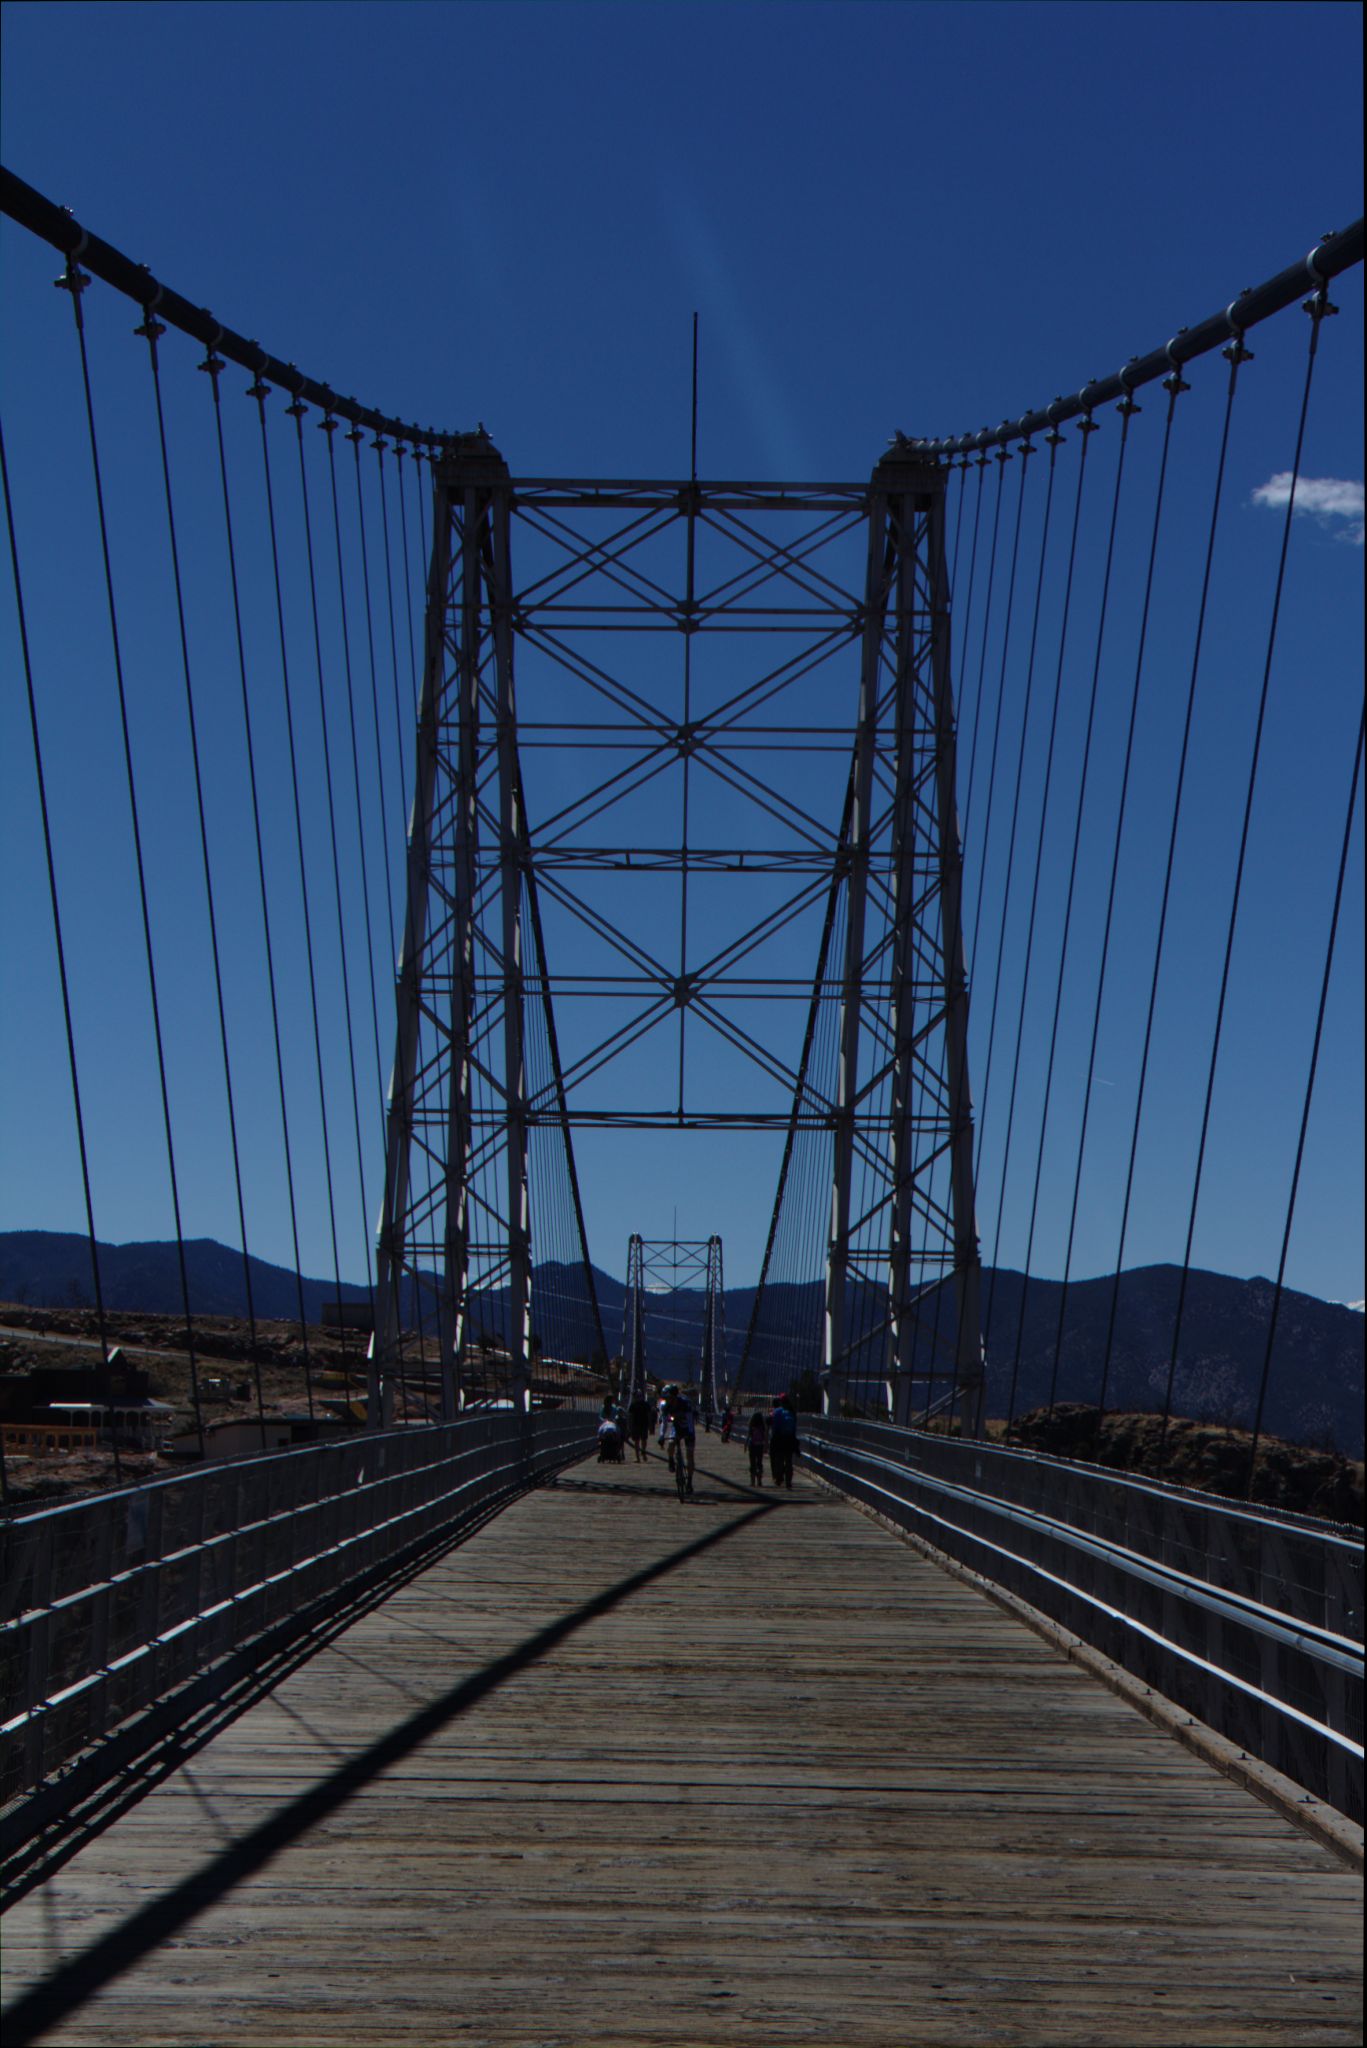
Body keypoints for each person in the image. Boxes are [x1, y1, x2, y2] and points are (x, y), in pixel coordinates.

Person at [662, 1384, 696, 1493]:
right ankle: (671, 1460)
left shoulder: (685, 1403)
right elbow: (664, 1423)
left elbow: (690, 1420)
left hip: (687, 1427)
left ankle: (689, 1482)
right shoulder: (666, 1406)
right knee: (671, 1443)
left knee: (689, 1455)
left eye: (669, 1398)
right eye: (666, 1398)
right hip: (676, 1428)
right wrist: (661, 1436)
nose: (668, 1400)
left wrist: (690, 1433)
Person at [769, 1393, 798, 1489]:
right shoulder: (792, 1412)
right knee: (789, 1461)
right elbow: (794, 1428)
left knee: (779, 1460)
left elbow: (773, 1425)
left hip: (779, 1438)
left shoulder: (777, 1411)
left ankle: (779, 1478)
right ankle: (788, 1481)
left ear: (780, 1402)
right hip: (789, 1439)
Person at [627, 1391, 653, 1462]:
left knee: (641, 1441)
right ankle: (639, 1456)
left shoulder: (644, 1405)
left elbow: (649, 1415)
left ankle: (641, 1454)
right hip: (637, 1425)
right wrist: (629, 1426)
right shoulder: (634, 1405)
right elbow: (630, 1416)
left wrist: (650, 1425)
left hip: (641, 1425)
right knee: (639, 1441)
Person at [746, 1406, 768, 1486]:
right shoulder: (762, 1427)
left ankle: (752, 1481)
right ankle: (759, 1480)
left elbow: (748, 1436)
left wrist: (745, 1445)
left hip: (752, 1445)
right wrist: (766, 1446)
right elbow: (765, 1437)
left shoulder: (751, 1426)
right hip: (760, 1445)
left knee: (752, 1463)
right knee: (759, 1463)